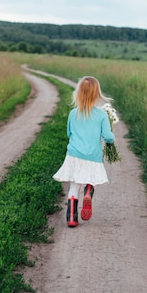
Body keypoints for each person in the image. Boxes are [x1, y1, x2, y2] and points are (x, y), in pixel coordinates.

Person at [53, 76, 115, 228]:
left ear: (78, 93)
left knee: (74, 185)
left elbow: (69, 133)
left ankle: (72, 218)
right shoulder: (101, 115)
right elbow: (107, 136)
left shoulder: (73, 113)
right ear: (97, 94)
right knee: (90, 179)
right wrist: (111, 141)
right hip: (92, 155)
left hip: (74, 154)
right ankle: (88, 191)